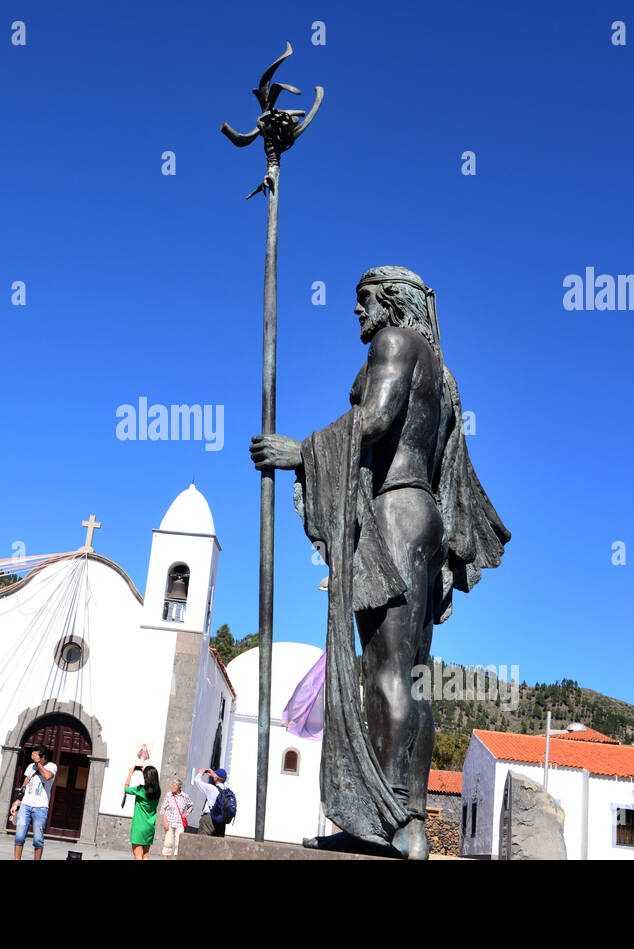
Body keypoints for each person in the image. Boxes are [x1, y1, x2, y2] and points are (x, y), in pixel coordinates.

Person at [250, 266, 509, 859]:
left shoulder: (395, 344)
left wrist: (301, 453)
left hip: (395, 511)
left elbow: (377, 419)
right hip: (425, 519)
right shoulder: (443, 374)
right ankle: (409, 814)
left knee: (384, 671)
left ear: (392, 303)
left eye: (364, 300)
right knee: (413, 674)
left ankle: (389, 817)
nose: (357, 313)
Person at [10, 746, 57, 860]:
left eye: (35, 755)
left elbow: (47, 776)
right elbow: (25, 784)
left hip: (41, 807)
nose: (33, 756)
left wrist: (38, 764)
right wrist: (17, 801)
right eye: (33, 754)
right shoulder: (31, 766)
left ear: (43, 757)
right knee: (19, 836)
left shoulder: (51, 766)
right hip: (26, 804)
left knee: (38, 839)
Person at [123, 764, 161, 859]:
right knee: (146, 854)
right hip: (150, 827)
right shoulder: (157, 791)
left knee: (138, 855)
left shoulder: (140, 790)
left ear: (146, 777)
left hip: (139, 827)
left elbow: (126, 789)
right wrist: (146, 771)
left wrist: (131, 772)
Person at [193, 767, 232, 837]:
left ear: (216, 778)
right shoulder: (227, 791)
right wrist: (215, 776)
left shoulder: (211, 788)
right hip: (221, 820)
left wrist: (200, 773)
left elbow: (197, 781)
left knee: (202, 841)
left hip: (209, 818)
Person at [159, 778, 193, 859]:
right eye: (172, 785)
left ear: (179, 787)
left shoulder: (184, 796)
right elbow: (163, 809)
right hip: (169, 822)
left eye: (174, 785)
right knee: (168, 843)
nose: (172, 787)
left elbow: (191, 805)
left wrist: (187, 813)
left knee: (179, 843)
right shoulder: (169, 795)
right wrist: (165, 822)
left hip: (179, 823)